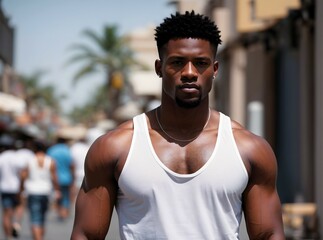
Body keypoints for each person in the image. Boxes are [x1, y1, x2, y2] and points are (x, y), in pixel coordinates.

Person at [71, 11, 285, 239]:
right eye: (177, 62)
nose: (190, 73)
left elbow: (269, 234)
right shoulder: (116, 147)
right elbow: (85, 234)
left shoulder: (249, 149)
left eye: (201, 63)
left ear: (214, 70)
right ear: (159, 68)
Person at [20, 140, 60, 240]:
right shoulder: (50, 161)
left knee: (35, 218)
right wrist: (57, 190)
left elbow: (23, 176)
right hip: (46, 191)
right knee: (42, 217)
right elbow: (55, 178)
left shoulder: (30, 160)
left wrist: (21, 189)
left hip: (32, 191)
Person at [0, 135, 26, 239]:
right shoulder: (17, 157)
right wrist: (22, 186)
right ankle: (16, 223)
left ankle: (8, 236)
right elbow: (23, 173)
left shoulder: (1, 157)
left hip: (4, 188)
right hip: (16, 187)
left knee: (6, 213)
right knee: (19, 206)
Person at [47, 136, 74, 221]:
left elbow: (48, 164)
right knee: (66, 195)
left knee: (57, 195)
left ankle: (59, 212)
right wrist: (73, 176)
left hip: (55, 178)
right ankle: (64, 212)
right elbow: (71, 165)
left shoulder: (51, 150)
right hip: (66, 177)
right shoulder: (67, 150)